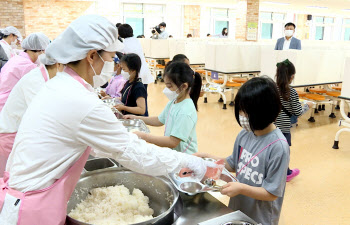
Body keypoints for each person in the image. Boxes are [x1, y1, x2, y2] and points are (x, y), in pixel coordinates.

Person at [0, 15, 215, 224]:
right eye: (111, 58)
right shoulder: (79, 100)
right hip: (30, 209)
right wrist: (188, 162)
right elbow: (134, 153)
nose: (114, 66)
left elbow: (103, 145)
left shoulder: (59, 86)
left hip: (24, 198)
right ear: (91, 56)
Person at [194, 77, 290, 225]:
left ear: (263, 112)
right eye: (240, 110)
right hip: (238, 208)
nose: (241, 116)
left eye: (245, 112)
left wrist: (241, 188)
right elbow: (232, 164)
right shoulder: (245, 134)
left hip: (260, 217)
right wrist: (206, 158)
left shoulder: (278, 147)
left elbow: (271, 193)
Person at [0, 53, 62, 177]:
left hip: (18, 133)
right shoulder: (35, 80)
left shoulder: (45, 78)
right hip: (11, 135)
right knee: (12, 179)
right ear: (59, 64)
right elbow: (44, 117)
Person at [125, 61, 202, 154]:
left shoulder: (186, 111)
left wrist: (144, 136)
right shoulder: (174, 102)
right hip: (174, 154)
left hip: (184, 157)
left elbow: (173, 142)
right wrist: (135, 118)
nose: (166, 90)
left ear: (184, 86)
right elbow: (159, 120)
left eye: (170, 86)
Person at [274, 59, 312, 182]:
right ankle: (286, 173)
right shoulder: (292, 92)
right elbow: (298, 112)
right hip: (284, 128)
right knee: (284, 151)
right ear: (292, 76)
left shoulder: (271, 88)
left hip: (271, 126)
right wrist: (308, 106)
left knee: (271, 148)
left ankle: (271, 171)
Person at [0, 32, 50, 113]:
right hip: (8, 106)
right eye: (43, 52)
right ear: (39, 50)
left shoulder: (16, 59)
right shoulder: (28, 66)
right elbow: (34, 92)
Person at [118, 24, 153, 115]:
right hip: (142, 71)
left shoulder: (125, 44)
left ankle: (143, 117)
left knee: (139, 98)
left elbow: (126, 58)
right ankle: (144, 116)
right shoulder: (135, 40)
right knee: (142, 98)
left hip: (137, 71)